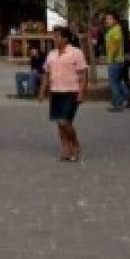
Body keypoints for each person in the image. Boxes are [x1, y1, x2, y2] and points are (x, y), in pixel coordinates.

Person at [39, 28, 88, 161]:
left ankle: (75, 144)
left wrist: (82, 92)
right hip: (55, 91)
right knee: (59, 124)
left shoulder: (76, 53)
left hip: (71, 91)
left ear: (65, 38)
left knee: (65, 121)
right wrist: (42, 91)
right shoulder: (51, 54)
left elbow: (83, 74)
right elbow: (46, 73)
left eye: (57, 36)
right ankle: (67, 149)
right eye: (54, 36)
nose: (55, 39)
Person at [104, 13, 130, 111]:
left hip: (115, 60)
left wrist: (111, 58)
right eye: (106, 19)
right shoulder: (113, 30)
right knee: (118, 82)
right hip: (118, 60)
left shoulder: (116, 30)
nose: (107, 21)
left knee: (113, 83)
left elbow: (115, 45)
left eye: (109, 18)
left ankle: (118, 103)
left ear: (115, 20)